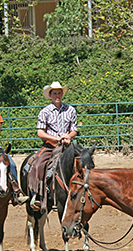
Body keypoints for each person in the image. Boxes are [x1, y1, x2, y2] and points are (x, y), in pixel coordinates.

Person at [27, 81, 78, 211]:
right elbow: (40, 132)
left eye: (59, 93)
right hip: (50, 146)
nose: (57, 95)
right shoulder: (45, 112)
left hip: (67, 146)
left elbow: (74, 129)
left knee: (84, 161)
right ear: (50, 95)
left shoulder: (70, 110)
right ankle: (37, 195)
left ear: (62, 94)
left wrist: (68, 136)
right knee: (38, 165)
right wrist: (57, 138)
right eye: (54, 93)